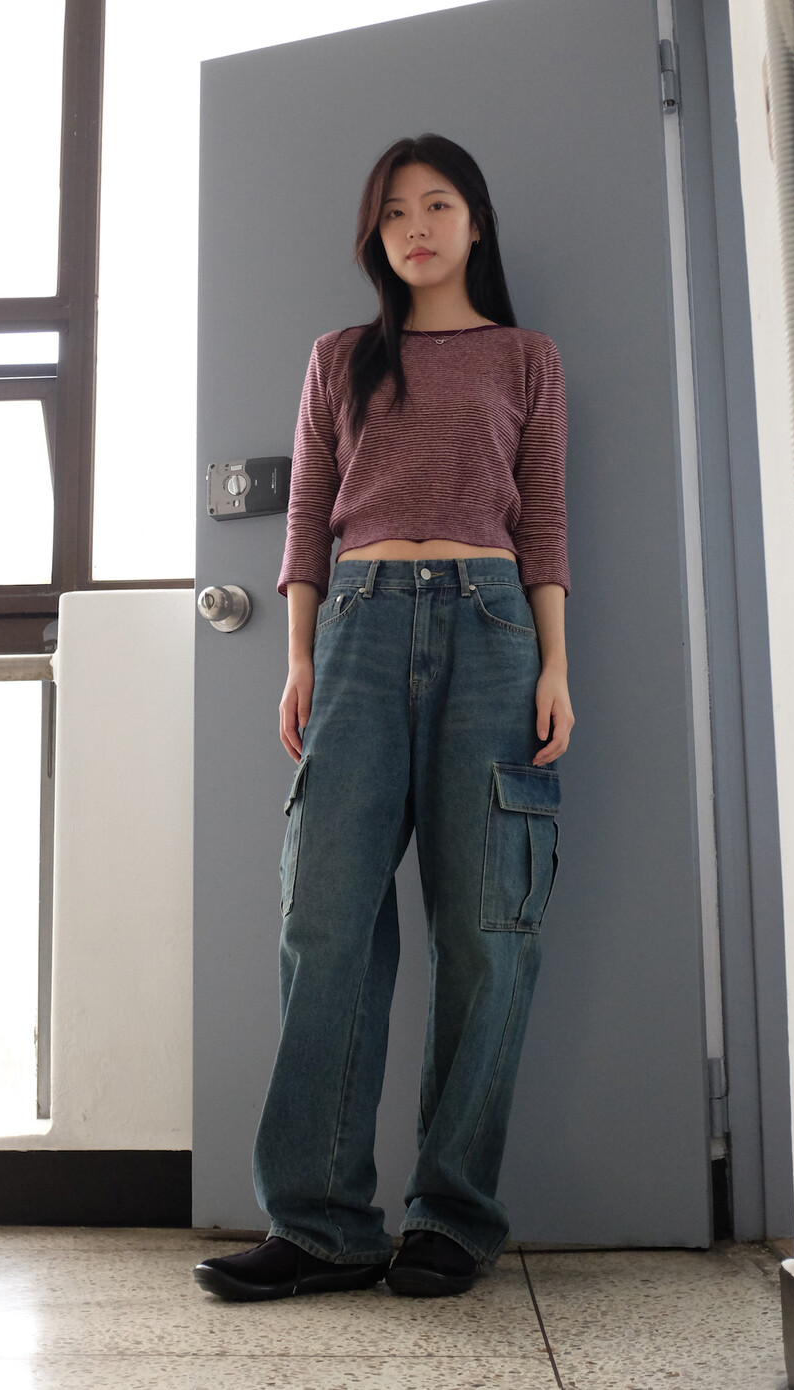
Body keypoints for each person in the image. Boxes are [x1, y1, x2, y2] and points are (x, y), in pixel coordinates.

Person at [194, 133, 574, 1303]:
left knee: (486, 928)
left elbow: (544, 521)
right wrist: (298, 657)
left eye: (438, 204)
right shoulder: (339, 359)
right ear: (377, 235)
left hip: (492, 629)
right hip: (356, 630)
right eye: (396, 210)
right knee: (325, 918)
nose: (416, 226)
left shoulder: (525, 358)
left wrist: (557, 664)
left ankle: (449, 1216)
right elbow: (306, 515)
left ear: (475, 222)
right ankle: (319, 1224)